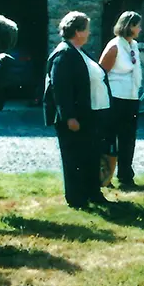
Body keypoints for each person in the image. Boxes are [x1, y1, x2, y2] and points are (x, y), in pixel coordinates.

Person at [44, 11, 112, 209]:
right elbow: (60, 89)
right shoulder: (64, 54)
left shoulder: (79, 52)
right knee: (74, 158)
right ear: (77, 31)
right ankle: (76, 198)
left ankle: (93, 192)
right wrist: (69, 117)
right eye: (87, 29)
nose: (89, 33)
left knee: (91, 155)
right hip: (75, 117)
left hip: (91, 113)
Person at [99, 11, 144, 189]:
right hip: (115, 97)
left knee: (128, 137)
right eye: (137, 25)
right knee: (110, 137)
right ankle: (104, 177)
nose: (140, 29)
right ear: (129, 26)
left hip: (131, 97)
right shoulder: (114, 46)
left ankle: (126, 176)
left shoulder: (133, 45)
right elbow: (101, 73)